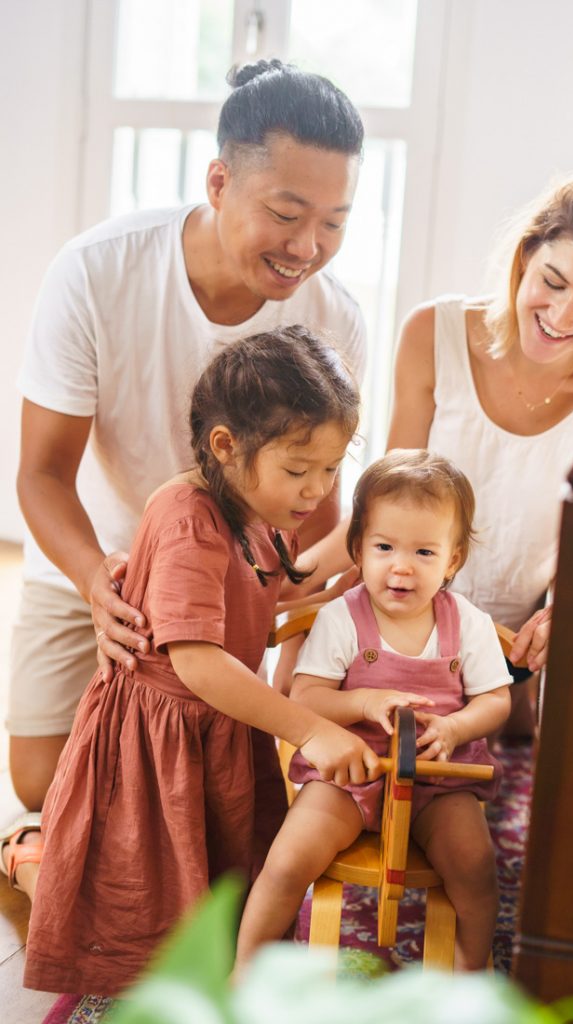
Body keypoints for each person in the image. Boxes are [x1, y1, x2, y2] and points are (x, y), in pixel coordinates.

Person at [2, 58, 366, 898]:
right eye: (286, 213)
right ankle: (30, 846)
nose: (307, 248)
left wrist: (290, 610)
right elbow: (41, 475)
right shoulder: (98, 271)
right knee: (42, 783)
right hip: (107, 554)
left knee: (203, 796)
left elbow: (319, 503)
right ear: (218, 181)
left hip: (237, 574)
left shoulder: (334, 314)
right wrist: (99, 583)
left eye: (335, 224)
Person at [22, 327, 380, 997]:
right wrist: (308, 727)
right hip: (164, 732)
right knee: (129, 897)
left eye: (331, 469)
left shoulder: (260, 506)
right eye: (299, 470)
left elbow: (269, 588)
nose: (315, 490)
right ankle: (25, 856)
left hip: (216, 724)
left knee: (212, 886)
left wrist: (358, 561)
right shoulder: (188, 515)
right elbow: (198, 661)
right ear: (226, 447)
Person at [387, 165, 573, 731]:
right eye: (553, 280)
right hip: (399, 621)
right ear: (525, 256)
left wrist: (561, 608)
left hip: (510, 655)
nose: (563, 317)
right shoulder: (433, 334)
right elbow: (388, 500)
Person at [235, 449, 512, 973]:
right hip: (346, 775)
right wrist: (362, 702)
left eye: (425, 553)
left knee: (475, 867)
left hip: (437, 780)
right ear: (358, 548)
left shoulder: (467, 624)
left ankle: (471, 974)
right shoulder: (343, 618)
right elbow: (307, 698)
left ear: (453, 559)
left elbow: (497, 700)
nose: (401, 566)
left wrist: (455, 727)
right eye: (384, 546)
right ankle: (245, 968)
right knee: (287, 859)